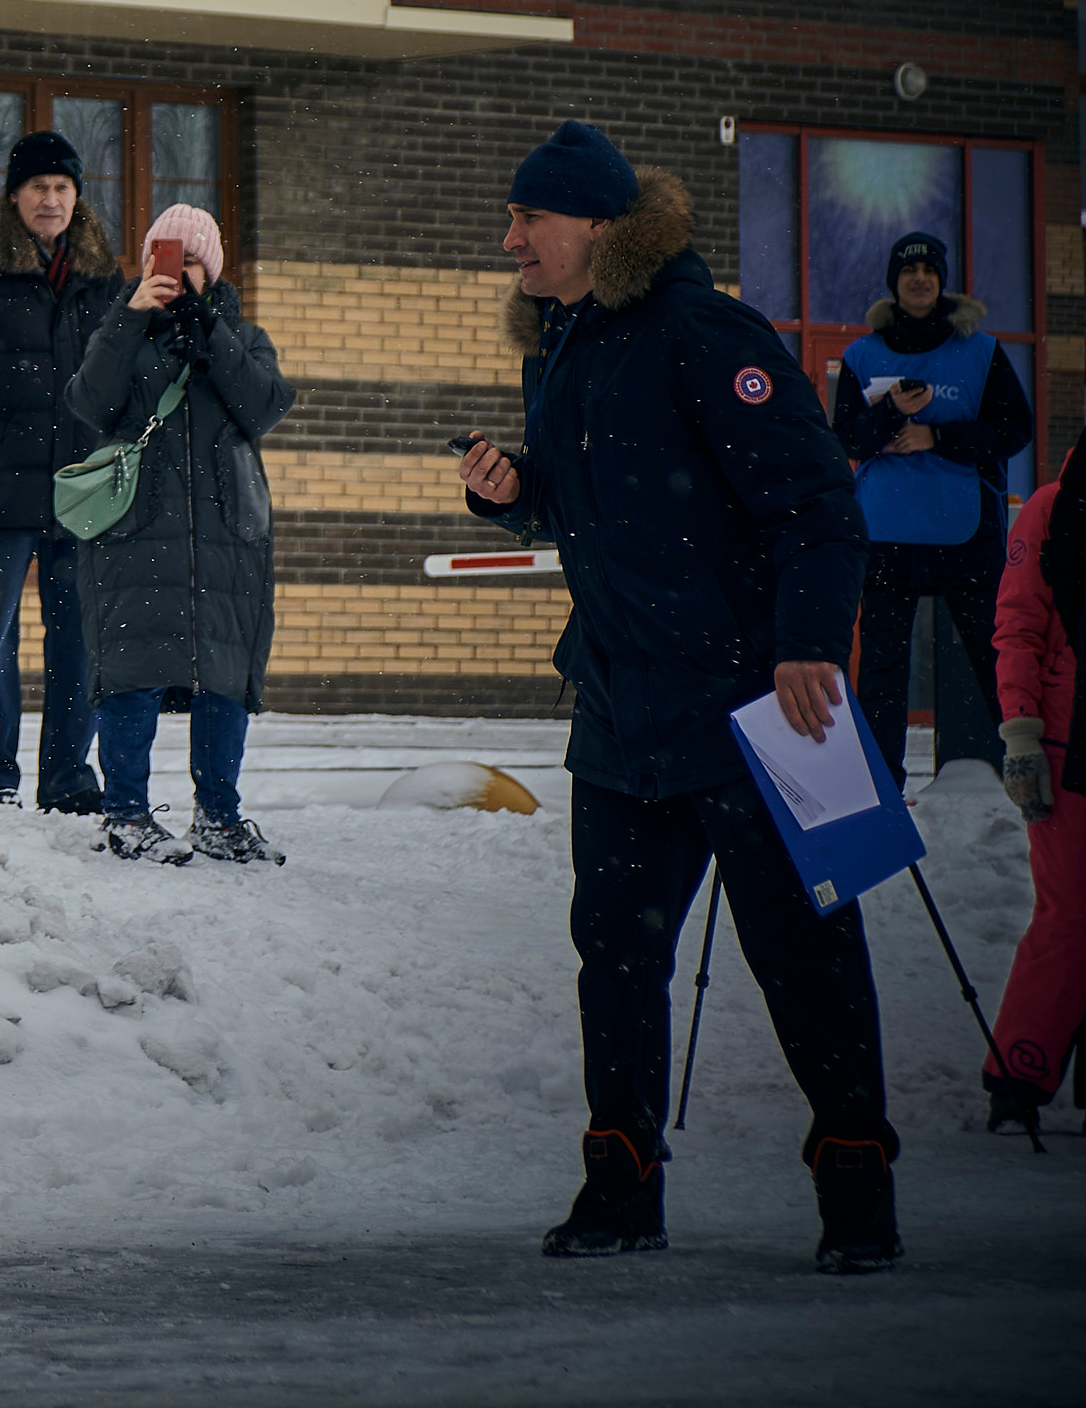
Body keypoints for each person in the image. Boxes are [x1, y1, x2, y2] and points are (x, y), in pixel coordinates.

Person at [456, 120, 898, 1275]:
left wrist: (808, 645)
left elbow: (816, 503)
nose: (510, 240)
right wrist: (512, 491)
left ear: (598, 225)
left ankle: (857, 1186)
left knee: (803, 951)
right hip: (618, 707)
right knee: (613, 953)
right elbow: (587, 497)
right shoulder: (562, 343)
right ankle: (620, 1186)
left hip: (752, 707)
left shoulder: (707, 334)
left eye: (528, 219)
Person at [64, 205, 292, 864]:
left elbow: (265, 406)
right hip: (134, 535)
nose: (175, 273)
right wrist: (129, 317)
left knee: (223, 674)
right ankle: (125, 815)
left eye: (189, 261)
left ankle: (220, 818)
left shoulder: (243, 336)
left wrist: (210, 333)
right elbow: (89, 402)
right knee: (130, 671)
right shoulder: (123, 332)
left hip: (226, 537)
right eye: (162, 259)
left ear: (210, 270)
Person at [0, 130, 123, 814]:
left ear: (77, 197)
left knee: (80, 643)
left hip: (84, 487)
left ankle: (69, 778)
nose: (51, 199)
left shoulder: (103, 273)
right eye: (38, 186)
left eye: (62, 187)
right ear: (13, 195)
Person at [830, 230, 1032, 785]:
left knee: (996, 659)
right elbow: (845, 438)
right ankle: (882, 790)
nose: (919, 279)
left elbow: (1015, 429)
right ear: (893, 283)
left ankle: (1028, 766)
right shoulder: (862, 355)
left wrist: (936, 438)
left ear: (942, 281)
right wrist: (892, 412)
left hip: (965, 535)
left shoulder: (982, 351)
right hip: (885, 537)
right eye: (908, 270)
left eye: (929, 270)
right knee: (882, 671)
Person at [991, 441, 1086, 1137]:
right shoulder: (1054, 507)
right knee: (1068, 915)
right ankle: (1020, 1072)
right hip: (1063, 742)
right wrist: (1021, 734)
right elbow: (1018, 624)